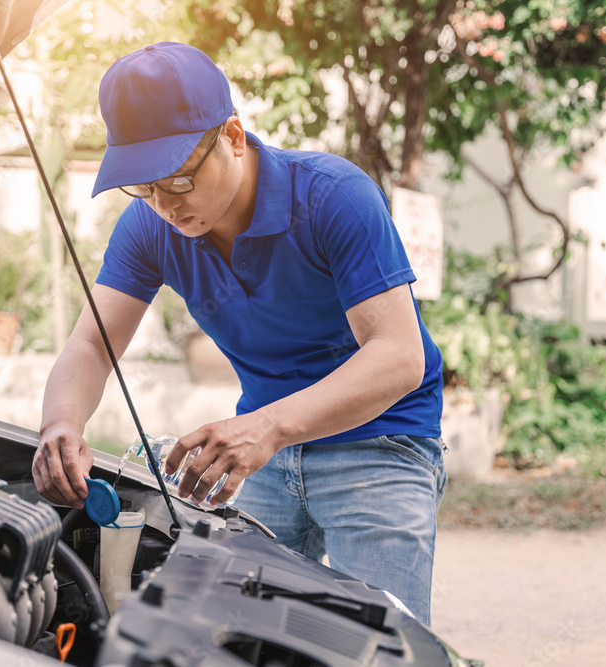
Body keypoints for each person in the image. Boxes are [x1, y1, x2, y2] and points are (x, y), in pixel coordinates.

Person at [32, 41, 446, 624]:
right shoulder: (149, 227)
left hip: (379, 442)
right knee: (224, 637)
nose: (164, 206)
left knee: (382, 645)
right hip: (259, 456)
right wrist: (60, 424)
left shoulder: (333, 196)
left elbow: (399, 356)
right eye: (142, 187)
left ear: (231, 135)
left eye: (177, 180)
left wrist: (268, 427)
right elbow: (93, 344)